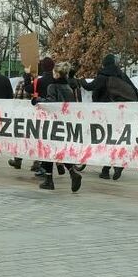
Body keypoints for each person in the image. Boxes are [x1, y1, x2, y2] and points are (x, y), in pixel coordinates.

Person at [78, 54, 138, 180]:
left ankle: (108, 169)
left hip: (105, 114)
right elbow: (134, 90)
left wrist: (82, 80)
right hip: (121, 113)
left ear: (104, 63)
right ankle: (112, 167)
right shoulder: (121, 75)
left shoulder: (103, 76)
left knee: (106, 140)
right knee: (115, 139)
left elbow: (90, 87)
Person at [35, 62, 83, 193]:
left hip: (53, 123)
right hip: (65, 123)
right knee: (58, 151)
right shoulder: (68, 87)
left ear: (56, 74)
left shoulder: (52, 86)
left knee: (49, 150)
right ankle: (73, 173)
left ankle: (49, 180)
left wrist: (38, 100)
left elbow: (51, 103)